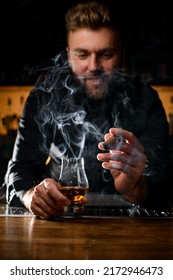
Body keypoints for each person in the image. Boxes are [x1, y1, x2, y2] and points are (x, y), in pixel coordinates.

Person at [4, 0, 171, 219]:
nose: (94, 67)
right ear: (68, 54)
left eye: (106, 54)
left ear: (121, 54)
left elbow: (163, 180)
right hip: (61, 221)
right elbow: (19, 171)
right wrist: (31, 195)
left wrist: (135, 187)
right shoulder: (43, 98)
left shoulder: (145, 100)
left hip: (130, 226)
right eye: (82, 54)